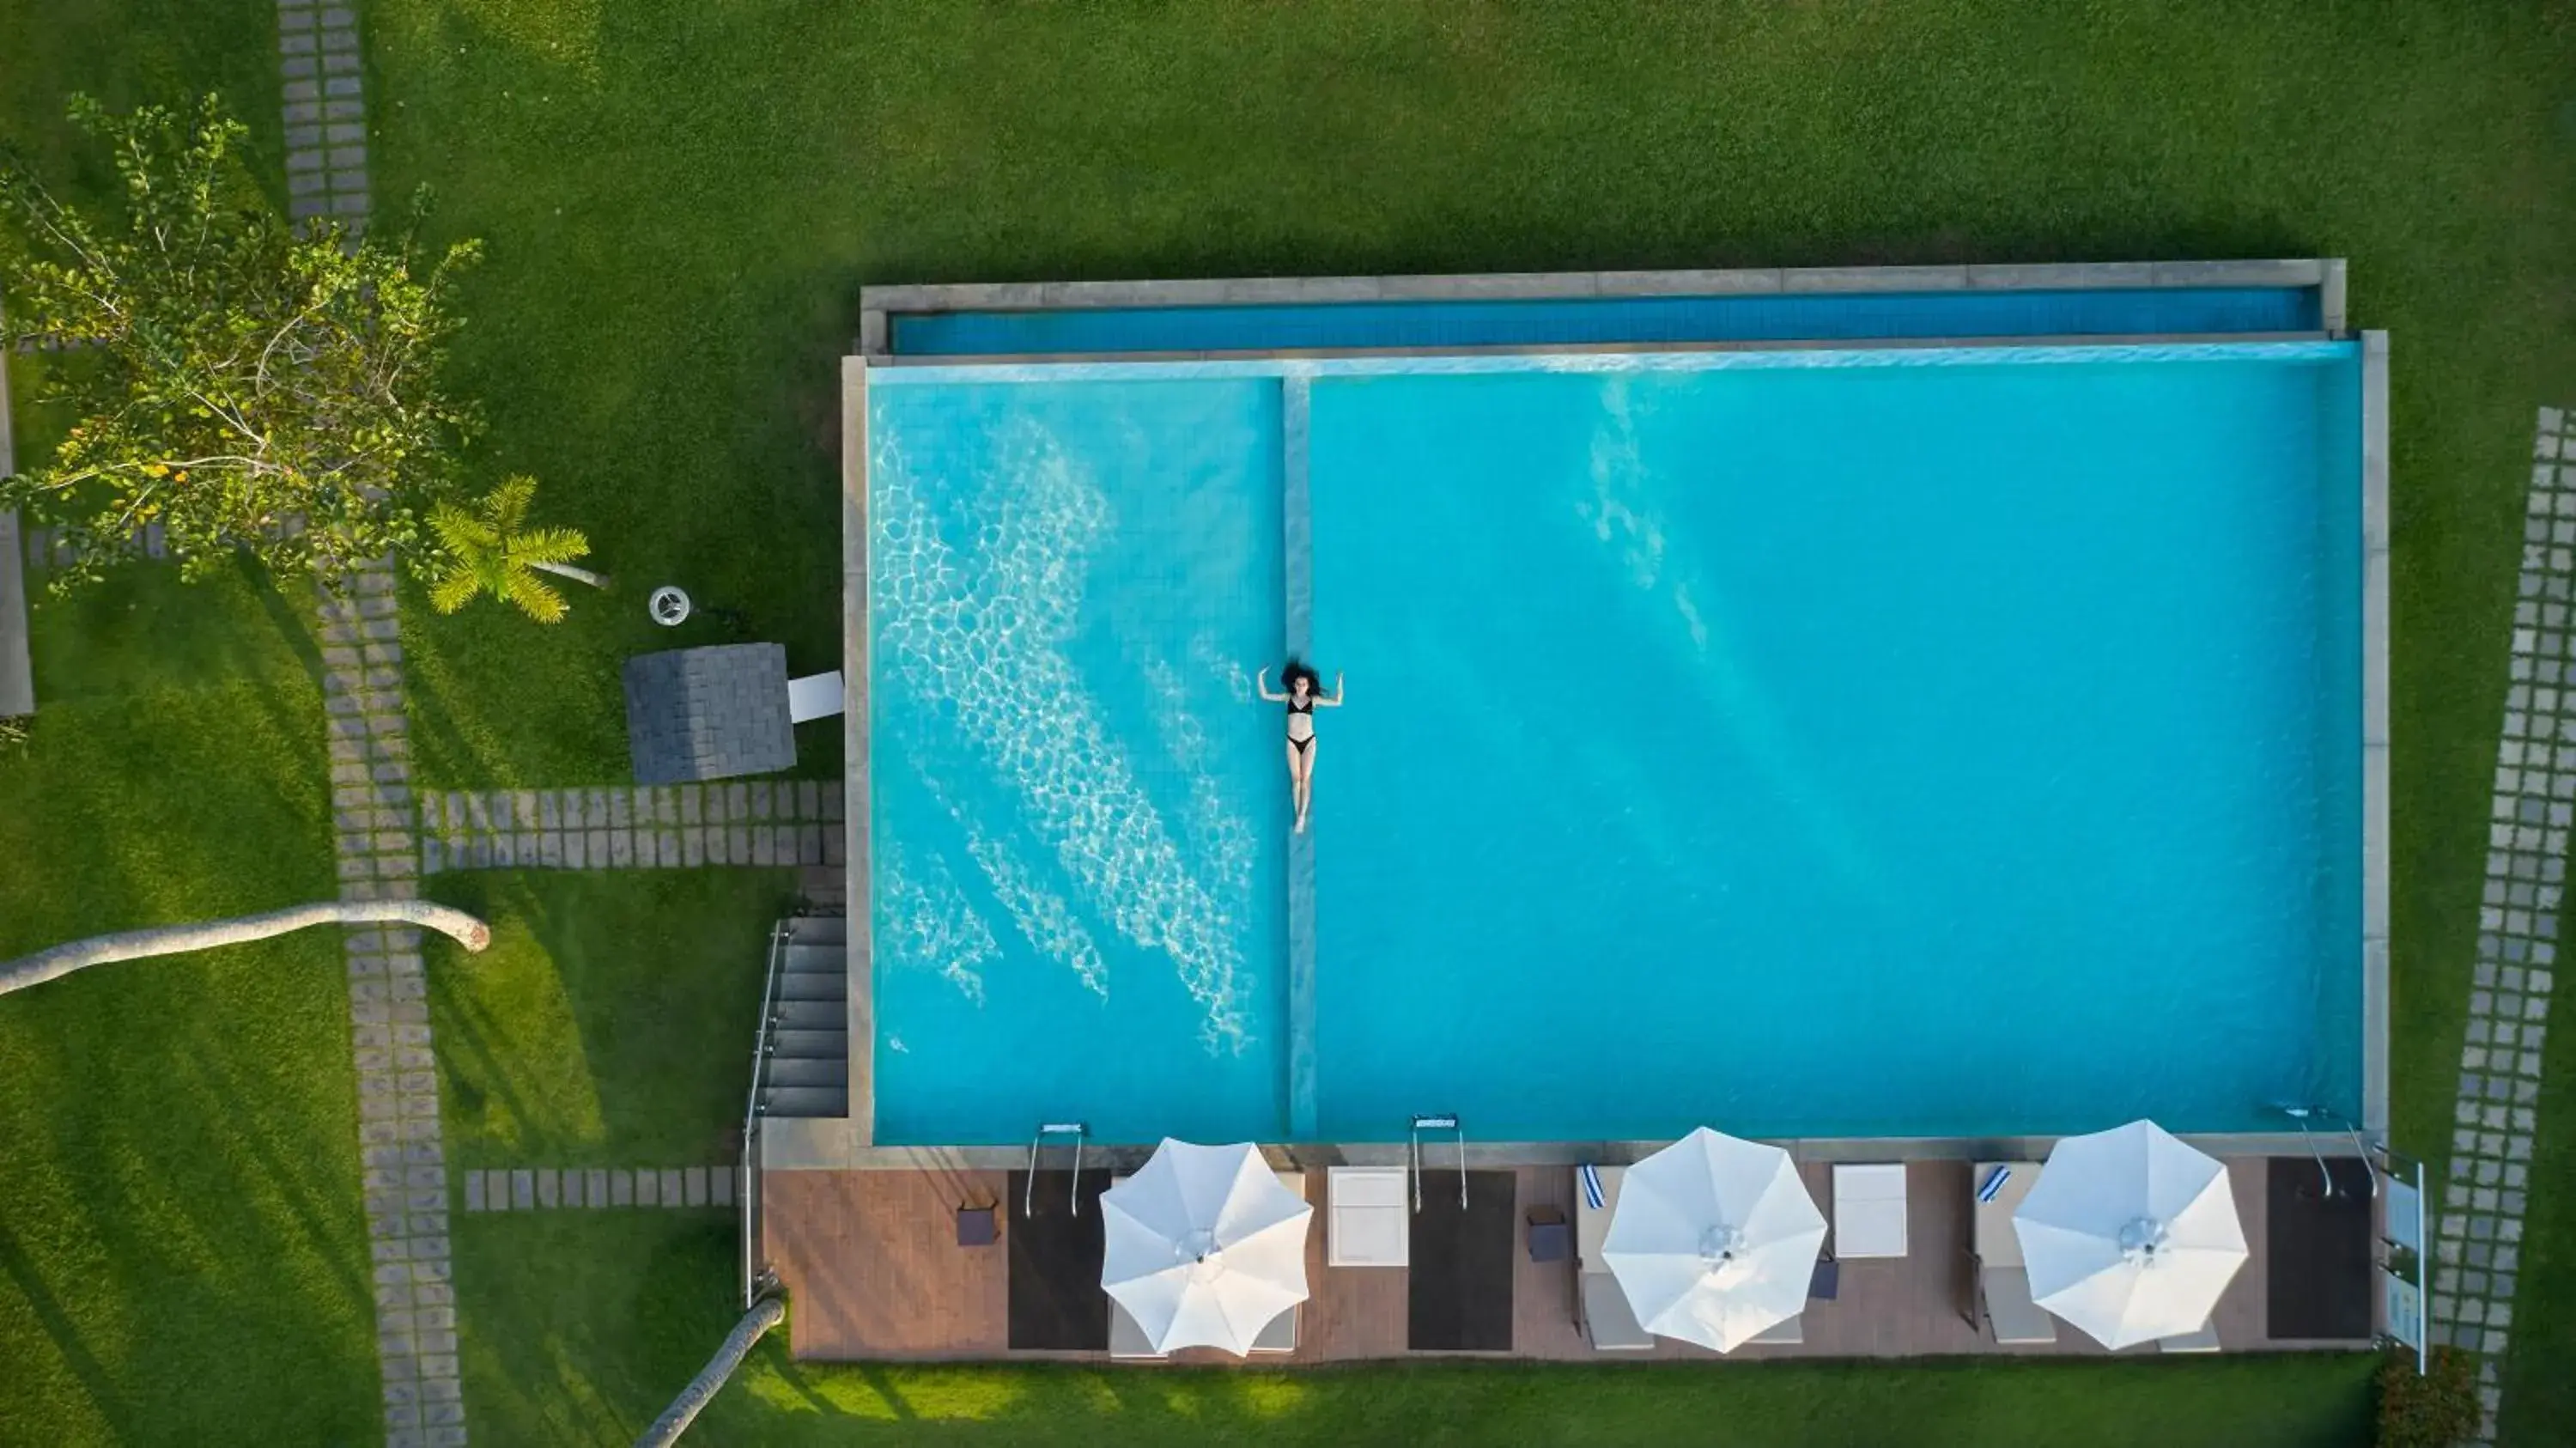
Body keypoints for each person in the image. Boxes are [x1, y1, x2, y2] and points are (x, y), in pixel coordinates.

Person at [1256, 660, 1344, 833]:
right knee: (1296, 780)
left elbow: (1337, 701)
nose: (1300, 687)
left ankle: (1302, 815)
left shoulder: (1313, 700)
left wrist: (1339, 681)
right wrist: (1260, 676)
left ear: (1308, 686)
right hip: (1292, 742)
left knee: (1305, 779)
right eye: (1298, 684)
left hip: (1309, 742)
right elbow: (1265, 695)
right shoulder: (1288, 698)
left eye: (1303, 684)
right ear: (1294, 685)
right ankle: (1299, 817)